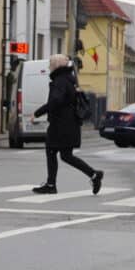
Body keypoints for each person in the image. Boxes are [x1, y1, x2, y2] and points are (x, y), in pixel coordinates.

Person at [31, 54, 104, 195]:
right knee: (65, 155)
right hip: (69, 124)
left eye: (51, 64)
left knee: (52, 151)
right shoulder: (69, 79)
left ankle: (51, 185)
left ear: (56, 66)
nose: (49, 67)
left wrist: (38, 113)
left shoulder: (60, 81)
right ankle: (94, 175)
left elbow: (55, 101)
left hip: (61, 125)